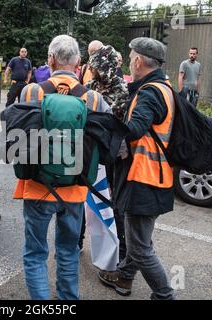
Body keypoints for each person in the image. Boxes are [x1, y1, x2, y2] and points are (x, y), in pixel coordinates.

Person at [15, 35, 110, 300]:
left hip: (37, 187)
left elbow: (17, 134)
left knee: (35, 252)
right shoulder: (93, 99)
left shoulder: (31, 91)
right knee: (68, 251)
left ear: (51, 59)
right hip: (75, 189)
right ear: (79, 63)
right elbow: (106, 143)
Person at [98, 37, 176, 300]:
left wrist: (105, 126)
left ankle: (165, 295)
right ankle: (125, 276)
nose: (129, 63)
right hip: (154, 176)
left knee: (141, 247)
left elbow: (134, 129)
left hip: (144, 177)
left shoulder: (150, 92)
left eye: (131, 58)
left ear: (139, 61)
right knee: (137, 238)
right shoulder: (163, 86)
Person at [85, 44, 131, 262]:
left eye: (95, 67)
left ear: (106, 68)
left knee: (114, 203)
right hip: (91, 152)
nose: (92, 71)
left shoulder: (122, 90)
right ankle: (77, 241)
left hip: (113, 155)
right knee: (85, 199)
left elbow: (109, 121)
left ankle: (120, 252)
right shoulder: (90, 86)